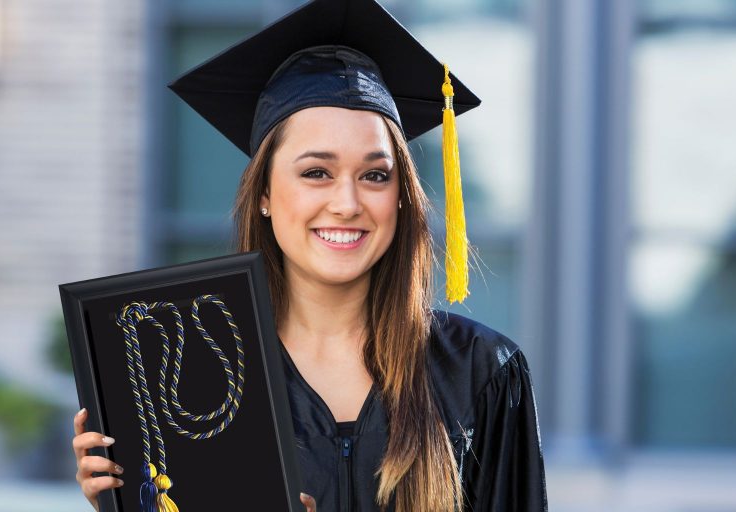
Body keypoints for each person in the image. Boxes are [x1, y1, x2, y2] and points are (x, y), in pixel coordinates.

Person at [72, 0, 548, 510]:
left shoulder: (480, 374)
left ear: (402, 194)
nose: (347, 204)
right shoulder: (194, 378)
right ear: (265, 196)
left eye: (375, 175)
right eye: (316, 172)